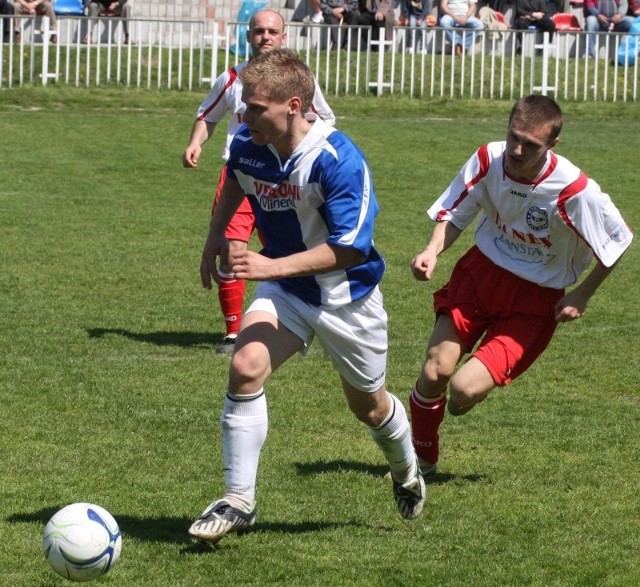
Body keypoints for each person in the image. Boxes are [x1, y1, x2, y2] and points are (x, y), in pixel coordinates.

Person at [188, 48, 426, 547]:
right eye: (244, 106)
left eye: (255, 108)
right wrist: (215, 236)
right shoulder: (250, 145)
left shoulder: (337, 159)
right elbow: (234, 176)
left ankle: (406, 471)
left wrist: (269, 264)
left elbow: (349, 248)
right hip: (287, 290)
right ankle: (238, 500)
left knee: (370, 408)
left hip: (347, 301)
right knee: (245, 366)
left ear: (293, 105)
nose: (244, 115)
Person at [408, 95, 633, 478]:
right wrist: (432, 250)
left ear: (552, 145)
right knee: (434, 372)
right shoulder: (487, 160)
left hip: (534, 300)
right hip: (481, 275)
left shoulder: (573, 190)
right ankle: (420, 463)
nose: (517, 149)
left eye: (531, 145)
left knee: (462, 392)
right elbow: (455, 212)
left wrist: (582, 295)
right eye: (514, 137)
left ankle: (443, 423)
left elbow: (618, 241)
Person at [182, 9, 335, 355]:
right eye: (258, 31)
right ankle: (234, 332)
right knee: (231, 248)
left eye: (272, 31)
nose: (265, 37)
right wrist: (195, 142)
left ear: (284, 37)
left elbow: (326, 120)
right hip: (238, 177)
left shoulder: (301, 81)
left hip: (284, 177)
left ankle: (300, 322)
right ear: (248, 36)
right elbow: (208, 115)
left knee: (290, 252)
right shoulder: (233, 78)